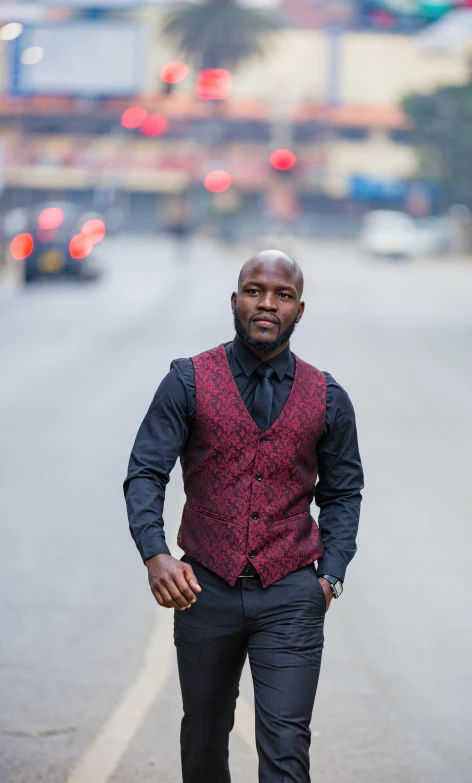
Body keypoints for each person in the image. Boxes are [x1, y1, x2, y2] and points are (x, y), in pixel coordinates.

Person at [123, 249, 364, 783]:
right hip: (205, 588)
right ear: (235, 300)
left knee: (286, 746)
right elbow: (145, 473)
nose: (266, 304)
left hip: (291, 595)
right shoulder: (186, 381)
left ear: (299, 310)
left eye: (282, 295)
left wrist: (330, 577)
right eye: (255, 291)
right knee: (205, 738)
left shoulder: (328, 397)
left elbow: (344, 493)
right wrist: (155, 553)